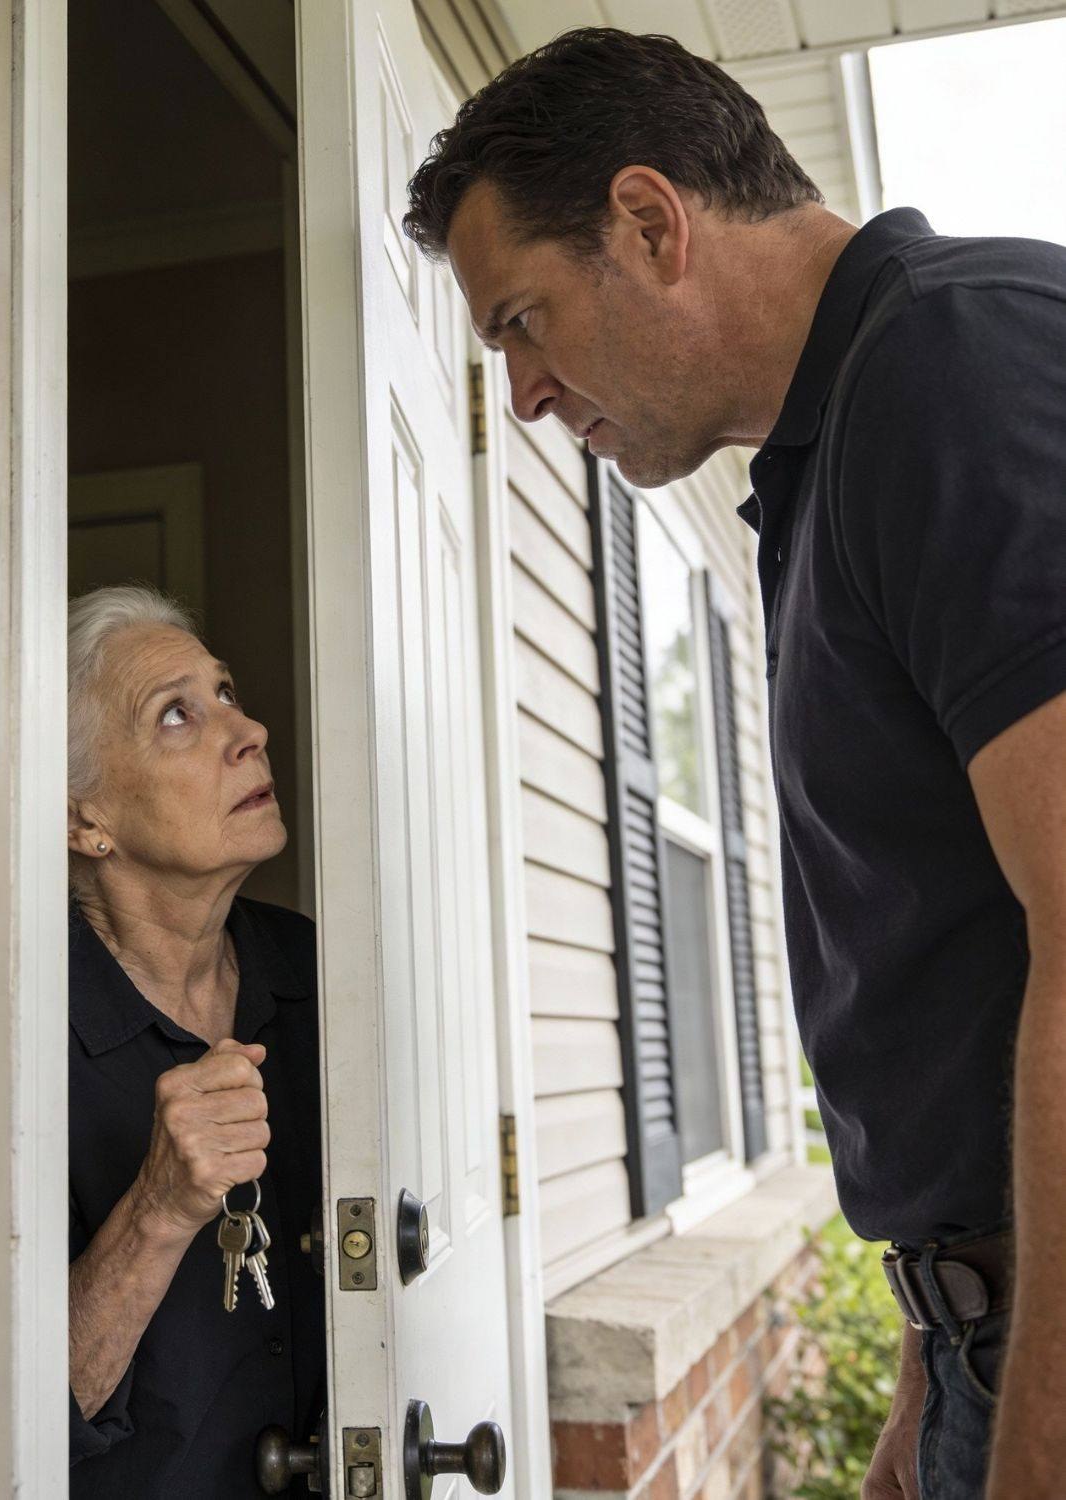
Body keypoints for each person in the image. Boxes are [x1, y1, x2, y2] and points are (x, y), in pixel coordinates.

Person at [403, 28, 1066, 1500]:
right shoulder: (831, 457)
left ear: (649, 221)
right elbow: (968, 969)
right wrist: (937, 1356)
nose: (520, 394)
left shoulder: (955, 366)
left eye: (522, 320)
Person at [65, 585, 324, 1496]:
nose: (246, 729)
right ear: (82, 819)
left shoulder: (323, 978)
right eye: (177, 715)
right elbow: (27, 1412)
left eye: (225, 692)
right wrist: (159, 1209)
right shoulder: (24, 1037)